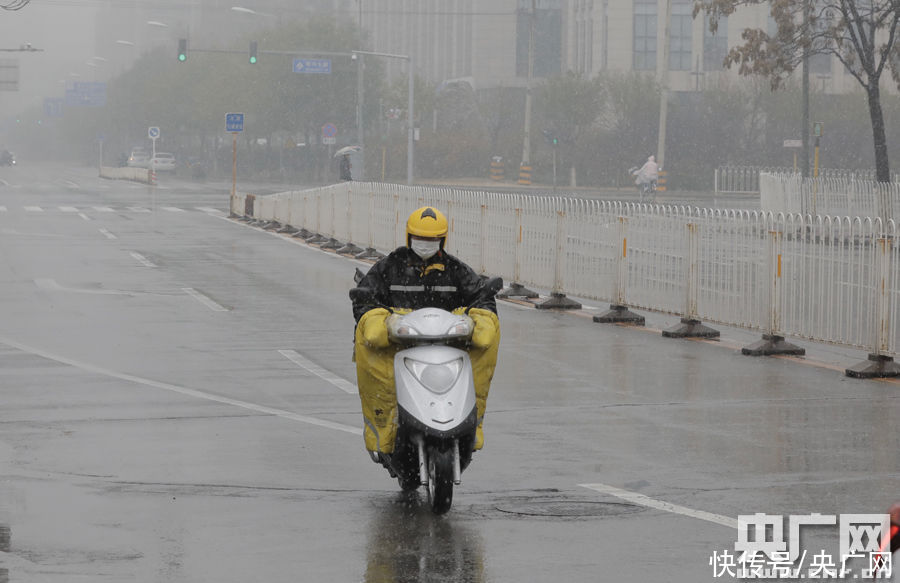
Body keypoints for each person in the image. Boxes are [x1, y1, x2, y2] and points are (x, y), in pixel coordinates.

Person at [351, 206, 500, 455]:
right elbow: (365, 298)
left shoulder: (456, 270)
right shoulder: (389, 267)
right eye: (421, 239)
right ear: (409, 238)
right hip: (399, 346)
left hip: (446, 348)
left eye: (432, 240)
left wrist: (484, 314)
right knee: (374, 363)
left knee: (488, 341)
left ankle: (474, 424)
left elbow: (481, 297)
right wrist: (372, 315)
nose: (426, 245)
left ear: (442, 240)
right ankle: (382, 433)